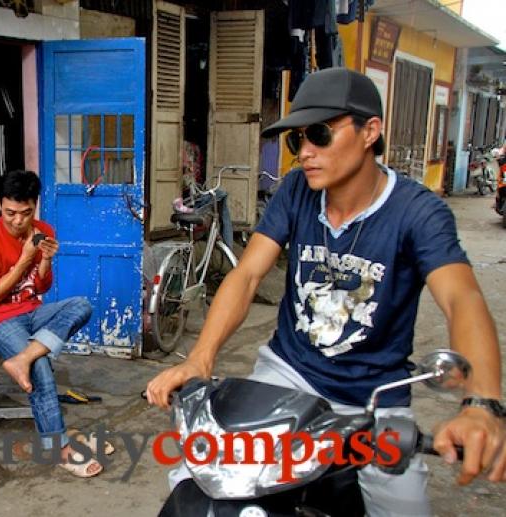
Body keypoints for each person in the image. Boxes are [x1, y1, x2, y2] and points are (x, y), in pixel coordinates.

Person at [146, 68, 504, 515]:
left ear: (370, 131)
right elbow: (248, 274)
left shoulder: (418, 211)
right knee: (198, 479)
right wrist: (199, 358)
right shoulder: (296, 191)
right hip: (288, 376)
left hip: (375, 399)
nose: (305, 153)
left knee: (404, 507)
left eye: (320, 134)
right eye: (297, 142)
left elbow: (461, 299)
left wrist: (482, 404)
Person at [0, 169, 100, 477]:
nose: (18, 221)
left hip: (31, 310)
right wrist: (26, 258)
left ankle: (22, 359)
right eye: (10, 213)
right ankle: (59, 448)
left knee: (81, 305)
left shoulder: (42, 230)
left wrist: (46, 259)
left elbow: (40, 289)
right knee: (40, 367)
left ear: (35, 206)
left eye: (26, 213)